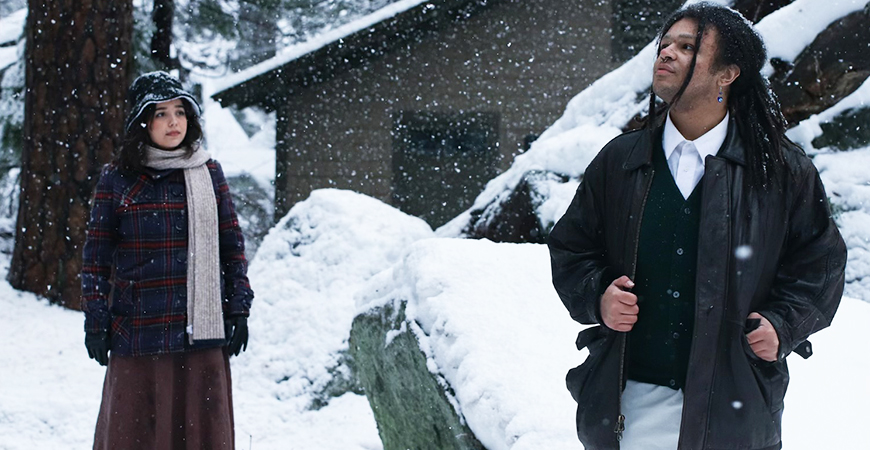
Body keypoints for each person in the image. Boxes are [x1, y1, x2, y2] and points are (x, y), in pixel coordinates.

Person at [547, 3, 846, 450]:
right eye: (664, 45)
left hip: (733, 408)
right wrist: (599, 294)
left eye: (687, 47)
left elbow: (820, 264)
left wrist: (784, 324)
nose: (666, 54)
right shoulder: (620, 160)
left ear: (728, 73)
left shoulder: (780, 171)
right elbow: (572, 248)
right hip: (629, 403)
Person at [81, 71, 254, 449]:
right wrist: (96, 321)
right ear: (142, 123)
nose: (173, 122)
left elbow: (231, 248)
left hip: (201, 334)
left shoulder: (208, 173)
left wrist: (239, 308)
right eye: (160, 113)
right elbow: (95, 260)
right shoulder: (117, 179)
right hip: (138, 332)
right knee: (135, 436)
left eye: (180, 111)